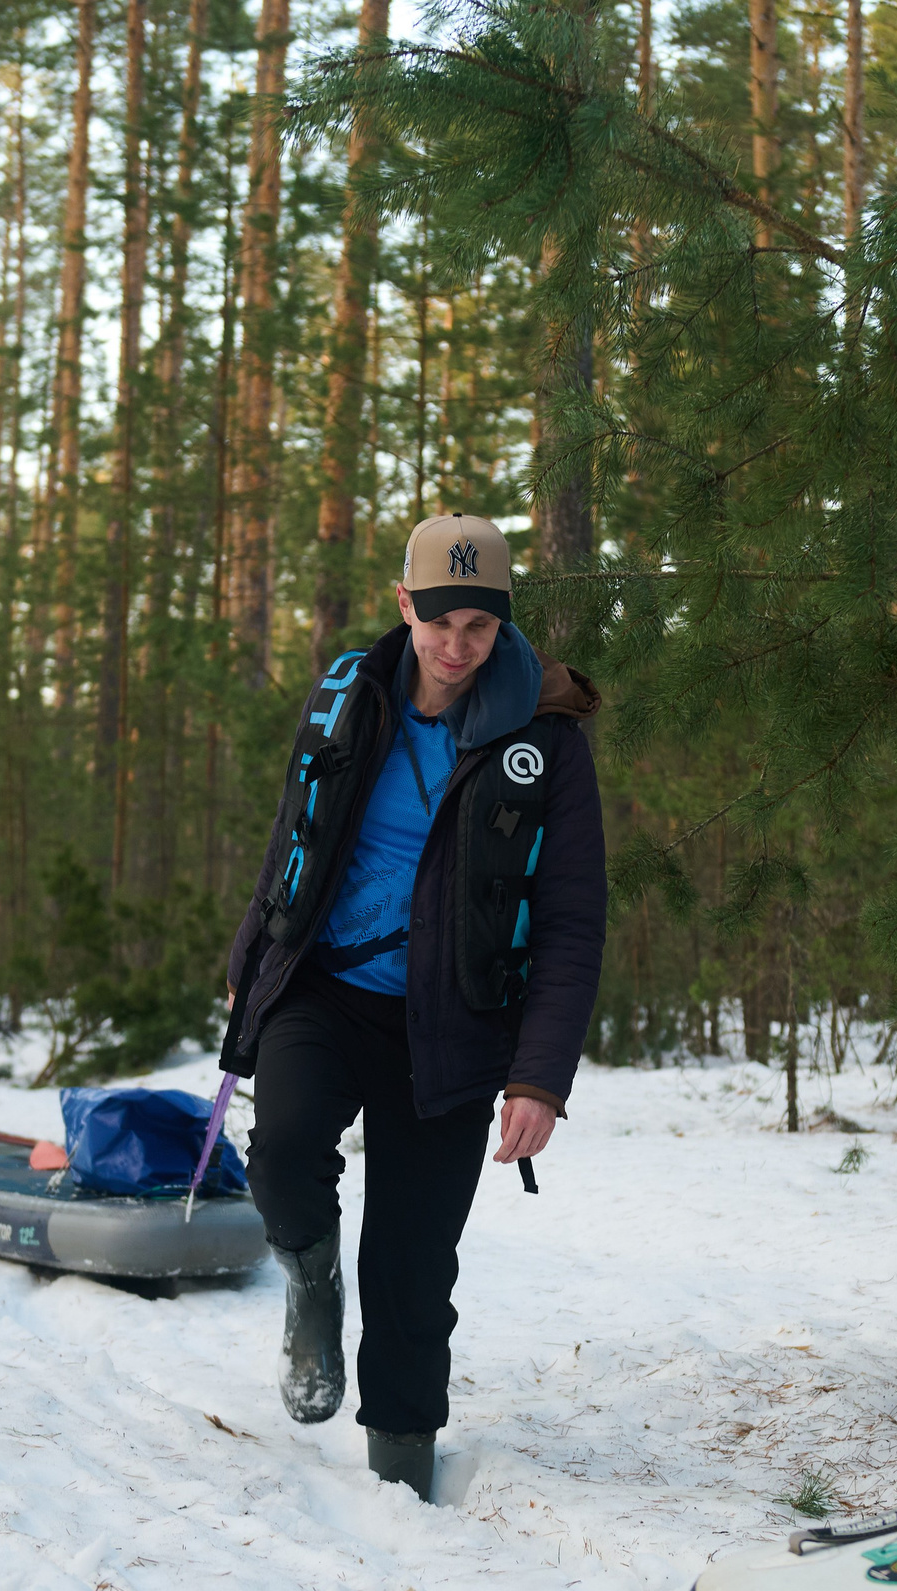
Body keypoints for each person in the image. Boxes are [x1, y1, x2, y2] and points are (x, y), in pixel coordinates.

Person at [221, 513, 607, 1502]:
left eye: (479, 627)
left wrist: (540, 1077)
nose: (455, 647)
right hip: (327, 986)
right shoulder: (350, 696)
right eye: (439, 621)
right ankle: (310, 1282)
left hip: (456, 1027)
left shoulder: (547, 742)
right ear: (404, 605)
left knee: (412, 1266)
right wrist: (250, 965)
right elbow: (291, 835)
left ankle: (401, 1476)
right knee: (282, 1151)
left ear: (502, 624)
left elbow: (571, 919)